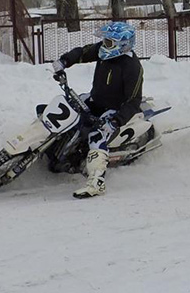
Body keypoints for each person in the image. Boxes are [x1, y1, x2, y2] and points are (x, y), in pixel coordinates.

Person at [52, 21, 143, 198]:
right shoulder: (103, 52)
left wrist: (116, 121)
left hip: (114, 109)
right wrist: (65, 60)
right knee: (67, 110)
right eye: (104, 40)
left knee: (97, 135)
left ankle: (96, 181)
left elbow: (134, 100)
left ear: (122, 44)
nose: (104, 45)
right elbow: (83, 52)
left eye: (108, 42)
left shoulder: (132, 67)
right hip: (95, 99)